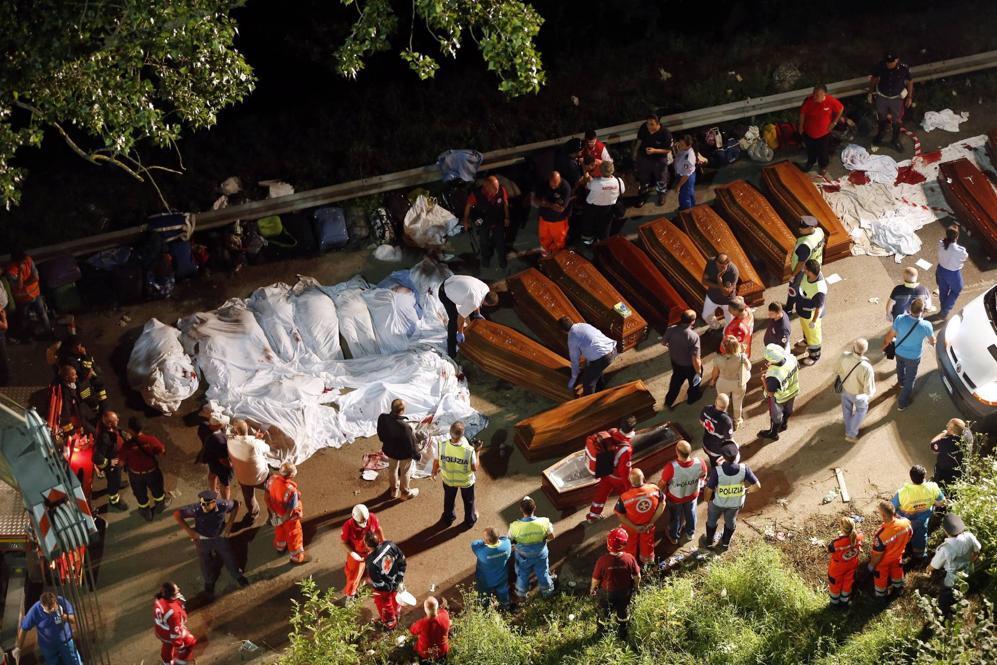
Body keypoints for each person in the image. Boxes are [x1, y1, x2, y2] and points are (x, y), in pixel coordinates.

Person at [173, 490, 249, 594]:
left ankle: (237, 575)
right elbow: (177, 514)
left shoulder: (223, 504)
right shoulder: (196, 509)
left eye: (207, 505)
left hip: (220, 537)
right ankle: (209, 581)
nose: (204, 507)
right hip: (203, 540)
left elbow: (236, 505)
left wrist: (230, 523)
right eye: (202, 504)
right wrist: (190, 531)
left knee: (228, 556)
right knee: (204, 561)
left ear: (214, 502)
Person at [702, 443, 761, 550]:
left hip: (718, 503)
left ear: (723, 457)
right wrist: (747, 491)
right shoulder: (744, 469)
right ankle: (725, 543)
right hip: (735, 504)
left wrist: (707, 500)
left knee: (711, 521)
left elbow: (708, 489)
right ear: (737, 455)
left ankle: (709, 542)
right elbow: (757, 486)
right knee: (730, 522)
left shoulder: (717, 471)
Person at [882, 297, 935, 411]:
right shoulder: (926, 325)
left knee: (900, 367)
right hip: (913, 357)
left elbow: (891, 334)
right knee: (910, 380)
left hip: (899, 351)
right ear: (922, 311)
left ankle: (900, 382)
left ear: (910, 308)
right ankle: (902, 403)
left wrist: (886, 344)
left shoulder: (900, 319)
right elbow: (932, 341)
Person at [590, 528, 641, 641]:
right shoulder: (630, 558)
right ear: (624, 544)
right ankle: (623, 630)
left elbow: (595, 579)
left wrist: (592, 589)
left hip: (607, 592)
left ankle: (602, 631)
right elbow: (637, 576)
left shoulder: (602, 561)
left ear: (608, 544)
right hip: (624, 592)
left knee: (605, 610)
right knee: (622, 610)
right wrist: (636, 587)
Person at [585, 417, 636, 522]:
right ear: (632, 430)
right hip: (617, 478)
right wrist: (628, 486)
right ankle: (629, 513)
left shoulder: (612, 432)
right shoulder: (626, 449)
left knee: (601, 494)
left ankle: (593, 516)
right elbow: (624, 471)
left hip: (606, 472)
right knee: (626, 495)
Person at [928, 514, 981, 613]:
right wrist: (973, 559)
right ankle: (960, 602)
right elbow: (977, 549)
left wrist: (928, 569)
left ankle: (943, 611)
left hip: (952, 577)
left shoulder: (946, 548)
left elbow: (935, 564)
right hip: (968, 570)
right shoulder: (969, 536)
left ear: (945, 530)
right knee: (964, 587)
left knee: (946, 593)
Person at [891, 464, 945, 561]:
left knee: (902, 537)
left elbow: (891, 508)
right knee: (921, 537)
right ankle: (919, 556)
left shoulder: (902, 492)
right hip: (922, 521)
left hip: (905, 522)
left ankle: (900, 553)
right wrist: (932, 502)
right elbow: (942, 502)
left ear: (911, 477)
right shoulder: (933, 487)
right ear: (924, 477)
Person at [613, 469, 665, 567]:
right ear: (643, 478)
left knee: (629, 545)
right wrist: (651, 522)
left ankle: (630, 563)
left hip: (631, 528)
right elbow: (662, 504)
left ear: (630, 481)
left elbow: (621, 516)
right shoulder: (655, 489)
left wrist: (635, 527)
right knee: (647, 544)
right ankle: (647, 562)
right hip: (648, 526)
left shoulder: (624, 497)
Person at [659, 440, 708, 544]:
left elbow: (662, 483)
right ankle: (690, 534)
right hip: (692, 495)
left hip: (675, 497)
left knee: (675, 517)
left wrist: (657, 492)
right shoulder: (700, 462)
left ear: (677, 452)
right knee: (691, 514)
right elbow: (704, 476)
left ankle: (674, 537)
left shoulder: (671, 467)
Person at [121, 417, 170, 521]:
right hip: (152, 473)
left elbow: (121, 462)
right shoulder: (151, 440)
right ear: (141, 428)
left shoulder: (126, 446)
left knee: (140, 494)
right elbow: (162, 452)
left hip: (135, 475)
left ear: (130, 430)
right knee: (158, 491)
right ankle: (160, 506)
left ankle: (145, 512)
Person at [438, 274, 498, 358]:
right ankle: (451, 350)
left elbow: (477, 298)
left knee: (468, 304)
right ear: (486, 303)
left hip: (451, 281)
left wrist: (477, 313)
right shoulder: (474, 301)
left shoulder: (485, 288)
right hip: (444, 293)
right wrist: (460, 332)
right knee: (454, 319)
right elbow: (461, 317)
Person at [14, 591, 82, 665]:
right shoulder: (35, 610)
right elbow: (24, 628)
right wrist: (18, 648)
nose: (51, 611)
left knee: (74, 662)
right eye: (48, 610)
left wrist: (64, 617)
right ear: (42, 605)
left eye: (53, 608)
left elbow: (73, 619)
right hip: (48, 647)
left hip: (66, 641)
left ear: (55, 601)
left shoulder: (61, 601)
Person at [432, 421, 478, 528]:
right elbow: (474, 468)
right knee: (469, 501)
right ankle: (470, 520)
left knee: (448, 500)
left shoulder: (441, 446)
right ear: (462, 434)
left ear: (450, 432)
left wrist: (434, 472)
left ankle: (448, 518)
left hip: (448, 480)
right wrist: (478, 452)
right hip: (465, 482)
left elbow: (436, 461)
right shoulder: (469, 450)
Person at [226, 418, 273, 523]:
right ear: (247, 428)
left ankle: (253, 514)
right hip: (260, 477)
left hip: (243, 478)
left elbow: (234, 438)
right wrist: (258, 439)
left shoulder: (230, 442)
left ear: (236, 431)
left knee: (249, 497)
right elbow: (267, 449)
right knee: (271, 495)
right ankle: (272, 515)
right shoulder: (255, 444)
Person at [509, 496, 555, 600]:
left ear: (521, 509)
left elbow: (510, 540)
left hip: (523, 556)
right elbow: (552, 536)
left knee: (522, 574)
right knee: (543, 572)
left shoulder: (514, 526)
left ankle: (521, 594)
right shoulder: (544, 522)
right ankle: (547, 592)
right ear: (534, 508)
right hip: (540, 554)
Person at [462, 175, 511, 270]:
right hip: (484, 219)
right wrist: (465, 220)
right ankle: (485, 259)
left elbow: (505, 203)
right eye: (493, 188)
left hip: (497, 218)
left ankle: (502, 260)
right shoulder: (476, 194)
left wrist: (507, 217)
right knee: (483, 241)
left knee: (500, 241)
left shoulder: (501, 190)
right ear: (486, 186)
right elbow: (468, 206)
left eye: (497, 188)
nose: (496, 191)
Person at [377, 399, 422, 501]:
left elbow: (380, 433)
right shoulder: (405, 427)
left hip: (390, 450)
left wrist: (386, 442)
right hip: (404, 454)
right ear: (402, 411)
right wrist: (417, 455)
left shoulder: (383, 418)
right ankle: (405, 493)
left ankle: (393, 490)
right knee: (405, 472)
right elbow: (411, 445)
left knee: (392, 469)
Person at [867, 500, 913, 599]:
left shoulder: (881, 535)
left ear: (883, 515)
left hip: (883, 562)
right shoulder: (906, 523)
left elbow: (877, 554)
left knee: (880, 577)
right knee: (897, 571)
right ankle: (898, 587)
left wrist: (872, 565)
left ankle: (880, 595)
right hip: (898, 556)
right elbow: (910, 536)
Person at [869, 53, 913, 152]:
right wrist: (870, 92)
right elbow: (874, 79)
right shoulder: (880, 66)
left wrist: (909, 97)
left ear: (896, 60)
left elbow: (910, 82)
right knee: (881, 117)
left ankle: (895, 140)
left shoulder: (903, 68)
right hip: (882, 97)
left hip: (896, 98)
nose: (889, 64)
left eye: (891, 62)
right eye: (887, 62)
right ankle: (880, 136)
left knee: (897, 119)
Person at [562, 317, 617, 395]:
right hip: (613, 349)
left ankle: (590, 401)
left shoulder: (572, 338)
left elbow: (574, 361)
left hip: (604, 358)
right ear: (572, 321)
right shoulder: (583, 325)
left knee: (588, 382)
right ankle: (600, 386)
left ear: (563, 331)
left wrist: (573, 377)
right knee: (592, 366)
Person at [5, 248, 51, 339]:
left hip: (34, 294)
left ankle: (48, 331)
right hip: (24, 299)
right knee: (26, 318)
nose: (23, 261)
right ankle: (28, 336)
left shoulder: (28, 260)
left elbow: (35, 277)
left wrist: (24, 284)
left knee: (41, 314)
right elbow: (19, 286)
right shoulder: (11, 271)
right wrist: (21, 272)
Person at [798, 84, 844, 175]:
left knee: (823, 151)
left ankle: (823, 166)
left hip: (824, 133)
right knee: (810, 149)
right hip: (809, 131)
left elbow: (840, 109)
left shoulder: (830, 101)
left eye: (817, 95)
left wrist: (834, 123)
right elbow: (802, 114)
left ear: (824, 95)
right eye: (814, 94)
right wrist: (801, 126)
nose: (814, 97)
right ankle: (810, 162)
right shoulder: (808, 101)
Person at [836, 338, 876, 443]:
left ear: (854, 347)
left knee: (846, 409)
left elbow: (837, 370)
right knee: (861, 411)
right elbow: (869, 387)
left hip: (845, 389)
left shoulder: (844, 356)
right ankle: (851, 433)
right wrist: (869, 395)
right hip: (859, 394)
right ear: (865, 350)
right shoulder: (867, 367)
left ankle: (848, 428)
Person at [365, 531, 407, 629]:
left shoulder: (371, 563)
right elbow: (402, 560)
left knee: (385, 605)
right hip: (397, 580)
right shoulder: (390, 545)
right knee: (396, 599)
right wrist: (398, 580)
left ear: (367, 546)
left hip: (386, 589)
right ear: (379, 540)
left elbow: (380, 585)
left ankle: (390, 624)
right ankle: (397, 614)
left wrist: (371, 582)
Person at [661, 309, 703, 408]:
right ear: (692, 321)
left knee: (675, 382)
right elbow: (695, 358)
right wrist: (698, 372)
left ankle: (668, 402)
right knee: (694, 383)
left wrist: (671, 346)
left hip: (676, 362)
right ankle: (692, 398)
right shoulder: (694, 337)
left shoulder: (671, 329)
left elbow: (663, 342)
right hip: (689, 366)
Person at [341, 504, 384, 599]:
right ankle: (350, 595)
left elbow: (378, 529)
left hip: (372, 552)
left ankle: (367, 581)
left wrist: (383, 543)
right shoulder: (347, 527)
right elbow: (344, 543)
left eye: (365, 520)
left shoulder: (372, 518)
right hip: (358, 555)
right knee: (353, 576)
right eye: (361, 521)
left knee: (374, 570)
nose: (364, 524)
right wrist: (353, 553)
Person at [759, 343, 800, 441]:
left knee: (776, 416)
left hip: (780, 398)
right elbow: (796, 366)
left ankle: (773, 433)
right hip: (793, 391)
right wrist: (773, 364)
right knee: (788, 410)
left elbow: (770, 393)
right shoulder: (791, 358)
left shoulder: (773, 375)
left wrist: (764, 380)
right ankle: (784, 424)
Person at [708, 336, 751, 430]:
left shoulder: (718, 359)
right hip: (738, 383)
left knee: (722, 402)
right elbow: (748, 367)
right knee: (738, 402)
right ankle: (737, 420)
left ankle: (723, 420)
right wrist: (743, 353)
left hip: (723, 382)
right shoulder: (741, 357)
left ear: (724, 347)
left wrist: (712, 380)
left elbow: (715, 373)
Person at [266, 462, 305, 564]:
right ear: (291, 475)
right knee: (294, 536)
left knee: (280, 532)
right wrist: (282, 520)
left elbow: (267, 498)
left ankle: (280, 547)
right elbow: (289, 512)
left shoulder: (271, 480)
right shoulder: (292, 491)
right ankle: (296, 557)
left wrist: (275, 516)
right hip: (288, 519)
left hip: (276, 513)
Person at [785, 216, 825, 313]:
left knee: (793, 288)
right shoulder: (819, 231)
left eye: (803, 228)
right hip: (816, 264)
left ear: (811, 227)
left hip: (804, 270)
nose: (800, 229)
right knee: (809, 287)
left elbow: (801, 263)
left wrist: (793, 275)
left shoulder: (805, 244)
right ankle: (808, 306)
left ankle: (789, 309)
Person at [56, 335, 108, 409]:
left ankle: (104, 410)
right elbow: (84, 375)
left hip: (88, 378)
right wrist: (85, 357)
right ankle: (97, 410)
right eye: (75, 347)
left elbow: (90, 365)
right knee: (89, 398)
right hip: (80, 384)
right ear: (70, 347)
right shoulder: (68, 359)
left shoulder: (77, 352)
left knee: (99, 384)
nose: (79, 348)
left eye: (79, 345)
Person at [632, 114, 673, 207]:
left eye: (651, 124)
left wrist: (655, 150)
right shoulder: (644, 127)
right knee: (643, 178)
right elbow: (639, 140)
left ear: (657, 124)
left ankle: (661, 195)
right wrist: (635, 152)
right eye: (647, 124)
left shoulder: (665, 133)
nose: (648, 126)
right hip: (644, 158)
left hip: (659, 159)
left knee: (661, 178)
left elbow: (668, 150)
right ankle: (643, 195)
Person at [580, 161, 624, 245]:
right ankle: (602, 245)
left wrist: (584, 168)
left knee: (588, 226)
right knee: (604, 229)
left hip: (592, 209)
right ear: (612, 170)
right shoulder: (619, 181)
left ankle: (587, 243)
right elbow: (622, 191)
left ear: (600, 170)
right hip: (608, 209)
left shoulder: (595, 183)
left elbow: (587, 185)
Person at [153, 582, 197, 665]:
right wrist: (180, 647)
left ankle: (167, 662)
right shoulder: (173, 613)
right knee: (191, 642)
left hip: (161, 630)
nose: (179, 589)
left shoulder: (159, 599)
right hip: (170, 632)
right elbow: (175, 635)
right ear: (171, 595)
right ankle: (179, 661)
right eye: (176, 591)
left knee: (167, 648)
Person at [94, 410, 129, 511]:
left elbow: (117, 430)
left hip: (118, 461)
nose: (118, 420)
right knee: (113, 483)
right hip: (112, 467)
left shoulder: (110, 428)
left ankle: (118, 483)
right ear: (109, 423)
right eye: (115, 420)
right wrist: (109, 463)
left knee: (117, 479)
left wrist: (123, 433)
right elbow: (97, 458)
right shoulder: (104, 439)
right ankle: (114, 501)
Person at [826, 516, 864, 609]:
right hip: (851, 565)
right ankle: (844, 603)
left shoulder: (837, 543)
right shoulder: (859, 537)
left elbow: (830, 549)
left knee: (835, 585)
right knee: (848, 584)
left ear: (842, 528)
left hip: (837, 568)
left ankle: (834, 604)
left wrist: (840, 537)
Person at [794, 259, 827, 365]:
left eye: (805, 269)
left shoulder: (819, 289)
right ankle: (806, 340)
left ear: (810, 272)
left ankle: (815, 356)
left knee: (814, 336)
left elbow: (819, 308)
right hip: (804, 311)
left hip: (811, 315)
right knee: (805, 330)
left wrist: (813, 321)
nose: (803, 270)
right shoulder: (810, 275)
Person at [471, 527, 512, 608]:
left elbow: (475, 543)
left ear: (487, 541)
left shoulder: (482, 552)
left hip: (485, 579)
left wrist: (484, 542)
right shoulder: (507, 544)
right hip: (501, 576)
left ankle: (484, 608)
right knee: (503, 591)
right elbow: (504, 538)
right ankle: (505, 605)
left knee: (484, 594)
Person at [533, 170, 572, 255]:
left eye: (556, 184)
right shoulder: (543, 184)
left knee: (559, 241)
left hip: (558, 221)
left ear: (560, 180)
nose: (553, 186)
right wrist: (552, 205)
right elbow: (535, 200)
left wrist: (546, 203)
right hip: (544, 219)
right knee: (544, 239)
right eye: (552, 184)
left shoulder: (565, 187)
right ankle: (545, 255)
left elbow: (560, 209)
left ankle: (557, 256)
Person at [197, 413, 232, 501]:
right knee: (225, 485)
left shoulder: (203, 426)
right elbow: (223, 460)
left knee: (212, 474)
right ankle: (225, 503)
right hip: (221, 466)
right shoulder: (220, 440)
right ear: (219, 425)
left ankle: (213, 492)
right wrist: (231, 465)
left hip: (210, 458)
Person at [47, 365, 89, 439]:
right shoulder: (65, 393)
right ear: (67, 378)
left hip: (77, 417)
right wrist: (71, 432)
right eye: (74, 375)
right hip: (71, 422)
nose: (76, 376)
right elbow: (65, 412)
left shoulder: (69, 384)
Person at [936, 225, 968, 319]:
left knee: (943, 290)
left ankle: (943, 308)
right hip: (953, 274)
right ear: (957, 237)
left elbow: (943, 242)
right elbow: (964, 258)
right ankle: (944, 311)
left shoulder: (941, 243)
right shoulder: (961, 251)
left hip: (941, 270)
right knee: (956, 290)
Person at [701, 254, 739, 330]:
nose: (720, 269)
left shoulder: (734, 271)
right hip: (712, 297)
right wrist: (720, 286)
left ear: (728, 263)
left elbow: (726, 293)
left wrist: (719, 280)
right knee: (706, 316)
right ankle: (717, 327)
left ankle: (728, 334)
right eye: (718, 266)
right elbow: (704, 281)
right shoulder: (711, 262)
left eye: (723, 267)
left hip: (727, 301)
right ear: (715, 262)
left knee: (730, 322)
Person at [409, 596, 451, 663]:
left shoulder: (422, 623)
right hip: (442, 650)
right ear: (437, 608)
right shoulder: (445, 615)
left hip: (426, 653)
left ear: (425, 609)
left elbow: (412, 630)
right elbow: (442, 611)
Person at [930, 418, 969, 485]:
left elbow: (933, 445)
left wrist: (943, 433)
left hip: (943, 475)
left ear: (951, 430)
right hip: (959, 475)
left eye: (948, 426)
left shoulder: (948, 441)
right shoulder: (967, 438)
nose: (947, 427)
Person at [700, 393, 734, 463]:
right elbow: (728, 439)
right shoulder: (726, 421)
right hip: (717, 451)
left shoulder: (706, 409)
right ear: (727, 406)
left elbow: (701, 421)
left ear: (715, 402)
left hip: (705, 444)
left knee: (711, 460)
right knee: (716, 465)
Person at [671, 134, 698, 210]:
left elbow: (686, 175)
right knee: (689, 193)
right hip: (682, 174)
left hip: (686, 178)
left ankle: (686, 210)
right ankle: (692, 206)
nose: (680, 145)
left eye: (682, 144)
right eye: (680, 143)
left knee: (684, 196)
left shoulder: (689, 159)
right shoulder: (683, 149)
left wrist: (678, 185)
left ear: (688, 145)